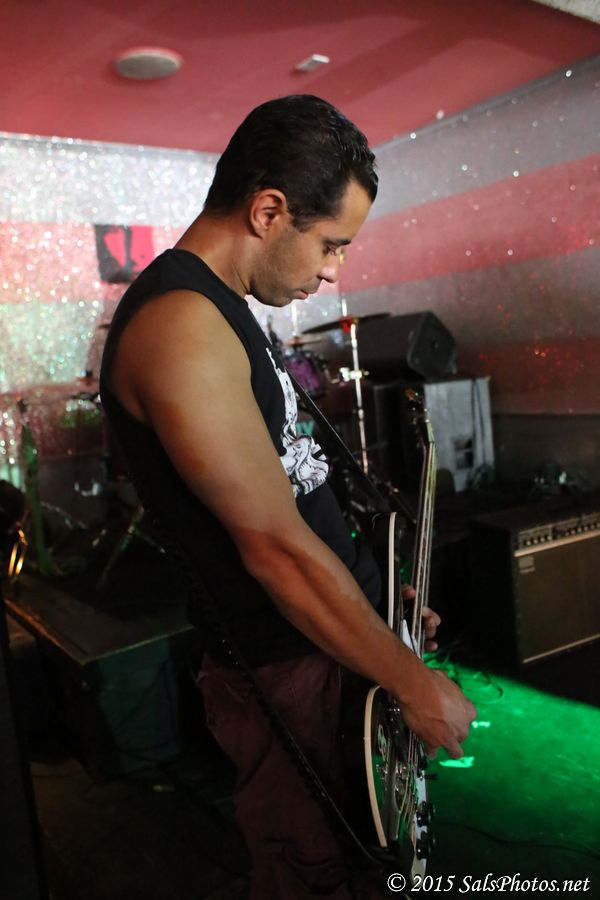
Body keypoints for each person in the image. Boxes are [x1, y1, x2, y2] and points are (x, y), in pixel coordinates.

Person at [100, 94, 476, 899]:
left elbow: (297, 485)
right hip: (283, 667)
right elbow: (273, 545)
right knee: (315, 876)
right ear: (269, 211)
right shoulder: (181, 324)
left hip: (324, 647)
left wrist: (377, 606)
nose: (335, 270)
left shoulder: (227, 309)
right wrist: (413, 683)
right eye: (332, 243)